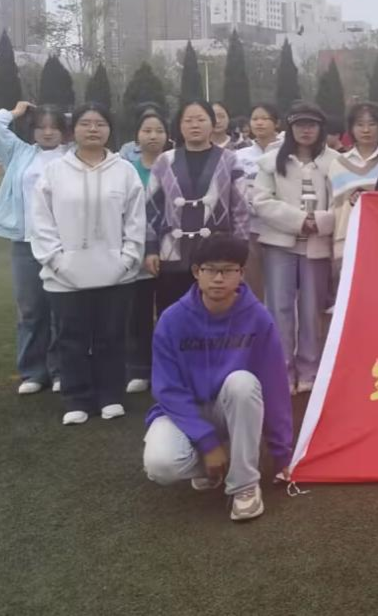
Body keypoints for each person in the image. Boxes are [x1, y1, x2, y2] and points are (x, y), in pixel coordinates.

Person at [142, 234, 293, 523]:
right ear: (196, 272)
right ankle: (220, 459)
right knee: (160, 465)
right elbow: (168, 390)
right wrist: (207, 442)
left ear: (241, 273)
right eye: (210, 270)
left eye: (228, 270)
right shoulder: (172, 320)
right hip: (185, 412)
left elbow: (274, 386)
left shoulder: (258, 318)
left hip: (231, 408)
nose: (219, 279)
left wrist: (282, 453)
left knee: (243, 383)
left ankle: (244, 485)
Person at [29, 103, 146, 426]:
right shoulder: (54, 171)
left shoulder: (124, 171)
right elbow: (41, 221)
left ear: (109, 129)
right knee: (71, 338)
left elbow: (136, 221)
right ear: (74, 130)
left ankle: (111, 395)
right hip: (64, 275)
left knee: (111, 336)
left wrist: (127, 259)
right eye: (85, 123)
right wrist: (57, 261)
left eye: (100, 123)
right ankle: (77, 398)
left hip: (116, 274)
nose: (93, 129)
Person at [0, 101, 69, 395]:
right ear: (32, 130)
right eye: (41, 127)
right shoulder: (19, 153)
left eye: (54, 127)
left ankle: (60, 370)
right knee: (30, 310)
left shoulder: (72, 156)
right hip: (25, 242)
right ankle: (33, 372)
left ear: (63, 130)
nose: (47, 132)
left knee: (60, 310)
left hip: (61, 243)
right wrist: (16, 112)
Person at [252, 103, 338, 395]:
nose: (306, 130)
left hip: (317, 245)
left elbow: (342, 202)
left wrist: (321, 221)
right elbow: (261, 201)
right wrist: (300, 221)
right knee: (279, 307)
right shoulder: (270, 162)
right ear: (290, 128)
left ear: (321, 129)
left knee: (312, 309)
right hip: (280, 244)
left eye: (312, 125)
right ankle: (282, 369)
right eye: (300, 125)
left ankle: (309, 369)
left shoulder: (335, 162)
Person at [144, 101, 250, 317]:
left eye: (201, 119)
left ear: (212, 123)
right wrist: (151, 248)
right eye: (188, 120)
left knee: (216, 316)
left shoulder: (230, 160)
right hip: (172, 253)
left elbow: (240, 208)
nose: (195, 125)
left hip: (218, 255)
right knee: (173, 315)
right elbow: (151, 209)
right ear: (180, 126)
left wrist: (240, 249)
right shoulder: (164, 161)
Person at [125, 108, 171, 394]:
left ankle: (166, 369)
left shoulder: (175, 166)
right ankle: (139, 368)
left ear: (168, 136)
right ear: (136, 136)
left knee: (167, 313)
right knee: (138, 314)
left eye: (159, 131)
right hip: (136, 251)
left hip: (170, 252)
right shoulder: (125, 170)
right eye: (147, 130)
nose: (153, 136)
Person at [331, 103, 378, 291]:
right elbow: (332, 206)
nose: (366, 130)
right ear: (351, 128)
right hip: (347, 241)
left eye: (372, 124)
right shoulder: (337, 163)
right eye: (360, 124)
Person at [233, 103, 282, 300]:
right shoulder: (239, 156)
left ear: (276, 123)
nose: (259, 123)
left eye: (264, 118)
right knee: (253, 284)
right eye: (255, 119)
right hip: (250, 229)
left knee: (280, 286)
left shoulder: (287, 152)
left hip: (279, 229)